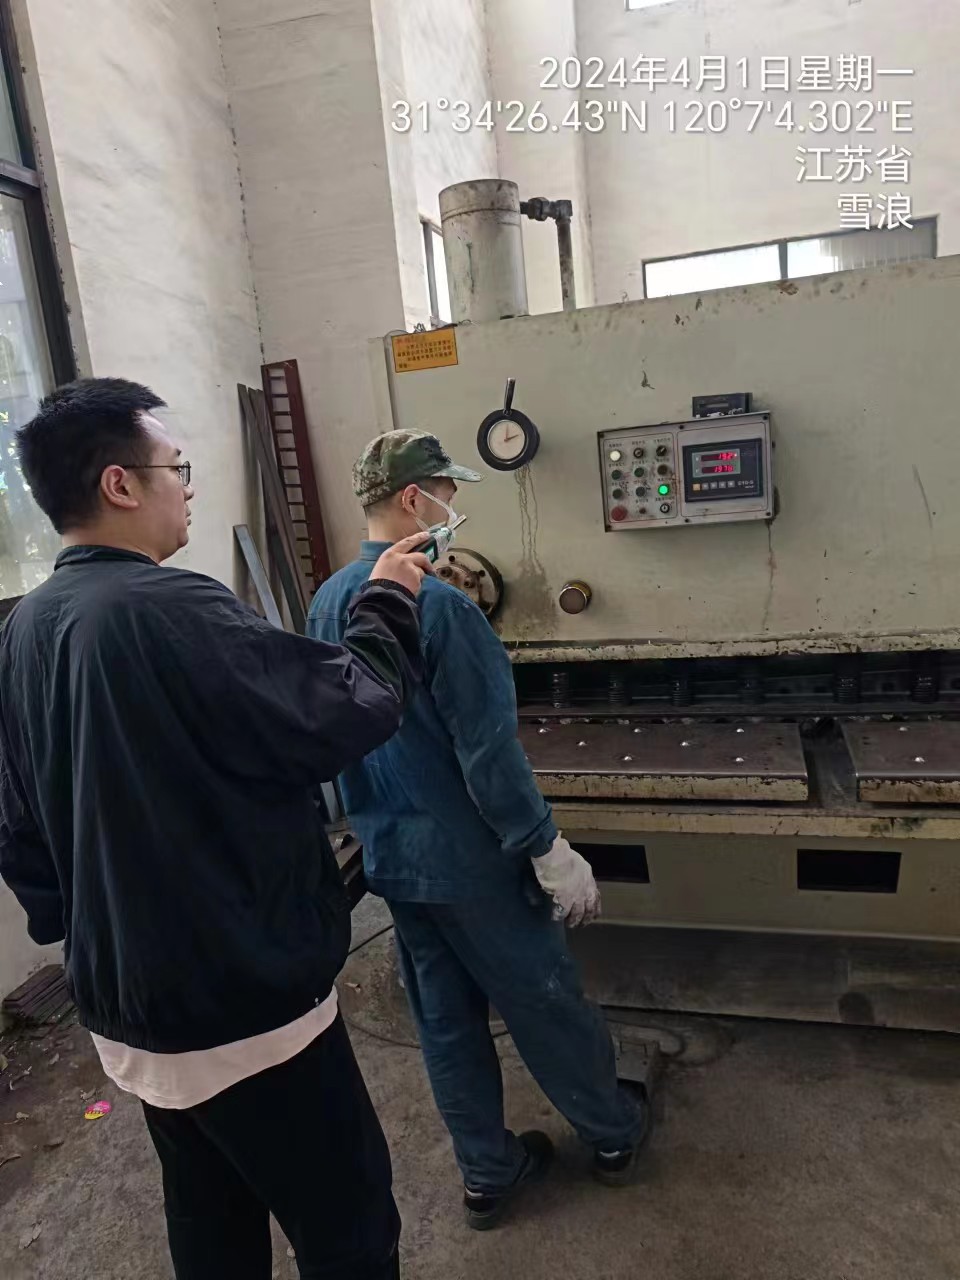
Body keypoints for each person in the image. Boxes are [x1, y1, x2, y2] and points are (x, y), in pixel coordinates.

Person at [0, 379, 434, 1280]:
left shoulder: (29, 625)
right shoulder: (169, 609)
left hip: (130, 1004)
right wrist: (387, 598)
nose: (189, 488)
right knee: (349, 1228)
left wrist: (86, 934)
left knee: (211, 1218)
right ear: (121, 484)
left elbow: (17, 820)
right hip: (241, 1004)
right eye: (178, 468)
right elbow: (347, 710)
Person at [308, 430, 650, 1231]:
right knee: (543, 1001)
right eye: (447, 493)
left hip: (395, 856)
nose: (454, 508)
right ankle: (612, 1132)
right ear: (413, 499)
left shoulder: (329, 601)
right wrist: (545, 847)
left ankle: (488, 1173)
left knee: (443, 1019)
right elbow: (488, 754)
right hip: (473, 862)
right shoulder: (444, 607)